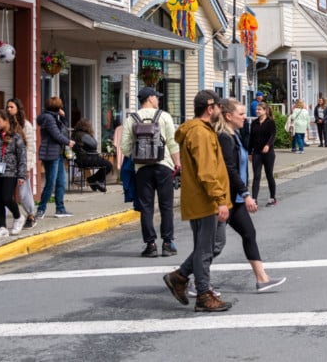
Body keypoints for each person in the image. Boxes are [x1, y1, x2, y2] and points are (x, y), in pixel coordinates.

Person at [187, 97, 285, 297]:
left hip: (235, 198)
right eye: (241, 114)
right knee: (213, 245)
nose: (245, 117)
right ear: (229, 116)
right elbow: (229, 170)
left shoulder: (235, 135)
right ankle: (183, 277)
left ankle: (262, 279)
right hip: (227, 197)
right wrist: (246, 193)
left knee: (248, 234)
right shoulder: (224, 137)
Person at [163, 90, 232, 313]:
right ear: (209, 108)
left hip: (207, 200)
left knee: (214, 244)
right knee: (206, 248)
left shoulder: (202, 130)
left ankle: (180, 276)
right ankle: (203, 294)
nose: (220, 111)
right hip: (205, 201)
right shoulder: (200, 134)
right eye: (218, 107)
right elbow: (206, 171)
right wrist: (219, 199)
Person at [120, 87, 180, 258]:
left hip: (142, 169)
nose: (158, 100)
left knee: (146, 207)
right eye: (157, 97)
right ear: (150, 98)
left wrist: (138, 152)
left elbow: (124, 148)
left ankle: (151, 244)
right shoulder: (164, 116)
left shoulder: (132, 119)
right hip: (164, 166)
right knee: (166, 206)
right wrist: (177, 164)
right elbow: (172, 143)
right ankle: (167, 244)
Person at [0, 110, 27, 238]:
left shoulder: (16, 137)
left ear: (6, 121)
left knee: (6, 197)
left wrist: (21, 175)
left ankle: (18, 217)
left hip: (10, 172)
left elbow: (22, 157)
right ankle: (2, 226)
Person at [36, 96, 75, 220]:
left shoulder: (53, 117)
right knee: (51, 182)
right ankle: (41, 209)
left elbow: (63, 129)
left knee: (61, 182)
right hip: (51, 154)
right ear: (57, 107)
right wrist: (68, 142)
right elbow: (56, 135)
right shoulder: (48, 118)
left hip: (57, 153)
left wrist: (62, 117)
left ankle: (60, 208)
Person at [6, 98, 38, 229]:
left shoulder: (26, 125)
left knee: (24, 192)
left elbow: (30, 147)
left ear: (18, 109)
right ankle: (1, 221)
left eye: (11, 107)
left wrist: (28, 166)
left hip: (22, 163)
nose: (9, 109)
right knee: (5, 193)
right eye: (7, 107)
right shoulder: (6, 124)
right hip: (8, 163)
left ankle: (31, 215)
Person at [248, 102, 278, 206]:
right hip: (256, 152)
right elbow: (251, 138)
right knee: (256, 176)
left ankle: (272, 197)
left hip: (268, 153)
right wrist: (249, 152)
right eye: (257, 109)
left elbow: (273, 135)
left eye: (259, 109)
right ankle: (254, 199)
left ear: (265, 111)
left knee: (269, 174)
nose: (257, 111)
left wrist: (268, 145)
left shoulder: (270, 122)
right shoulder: (254, 123)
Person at [70, 119, 113, 192]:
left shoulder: (75, 134)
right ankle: (94, 180)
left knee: (105, 164)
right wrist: (91, 135)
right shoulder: (83, 135)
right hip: (87, 158)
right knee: (108, 165)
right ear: (87, 127)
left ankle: (95, 181)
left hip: (79, 159)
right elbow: (94, 144)